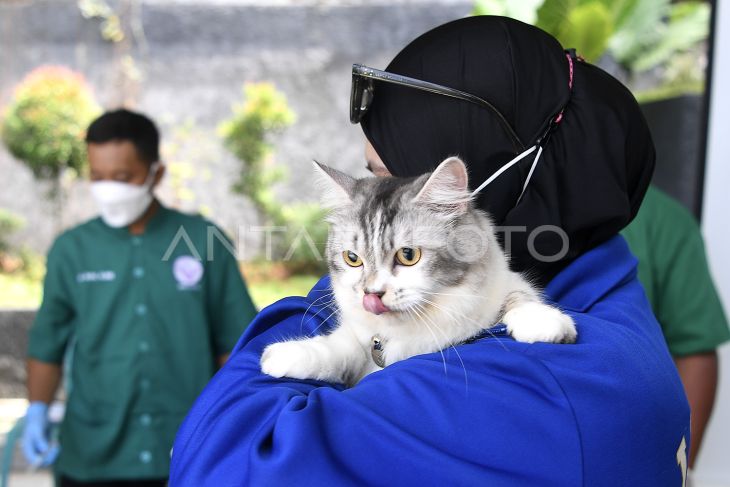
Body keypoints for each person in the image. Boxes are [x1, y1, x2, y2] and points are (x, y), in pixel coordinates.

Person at [169, 17, 690, 486]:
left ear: (469, 195)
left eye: (384, 175)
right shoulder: (607, 285)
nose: (373, 198)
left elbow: (215, 462)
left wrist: (333, 292)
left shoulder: (515, 385)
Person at [23, 109, 258, 486]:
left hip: (187, 451)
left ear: (156, 173)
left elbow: (236, 343)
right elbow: (47, 342)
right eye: (97, 177)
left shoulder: (203, 240)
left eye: (122, 177)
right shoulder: (71, 249)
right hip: (93, 456)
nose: (109, 188)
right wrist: (37, 410)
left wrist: (235, 424)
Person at [622, 185, 730, 468]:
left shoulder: (662, 220)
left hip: (627, 448)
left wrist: (680, 471)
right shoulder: (500, 210)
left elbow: (695, 349)